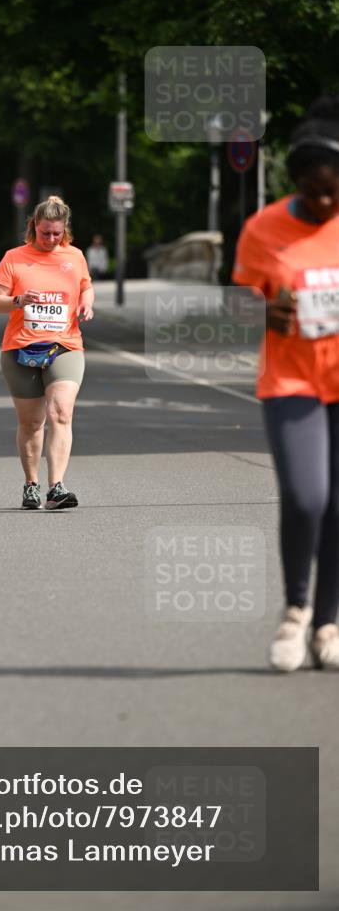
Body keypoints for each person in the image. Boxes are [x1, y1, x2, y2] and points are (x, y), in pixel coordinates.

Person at [232, 96, 339, 671]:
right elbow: (244, 300)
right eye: (313, 191)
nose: (324, 202)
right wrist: (262, 312)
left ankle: (328, 623)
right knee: (306, 497)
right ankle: (295, 611)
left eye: (334, 191)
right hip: (293, 377)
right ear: (295, 182)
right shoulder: (264, 228)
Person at [0, 195, 94, 510]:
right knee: (32, 422)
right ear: (34, 227)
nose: (50, 239)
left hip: (65, 345)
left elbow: (85, 284)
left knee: (61, 412)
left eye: (56, 234)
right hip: (21, 348)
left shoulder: (74, 256)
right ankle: (31, 484)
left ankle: (56, 487)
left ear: (65, 230)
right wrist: (19, 300)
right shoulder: (14, 257)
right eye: (45, 232)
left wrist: (87, 300)